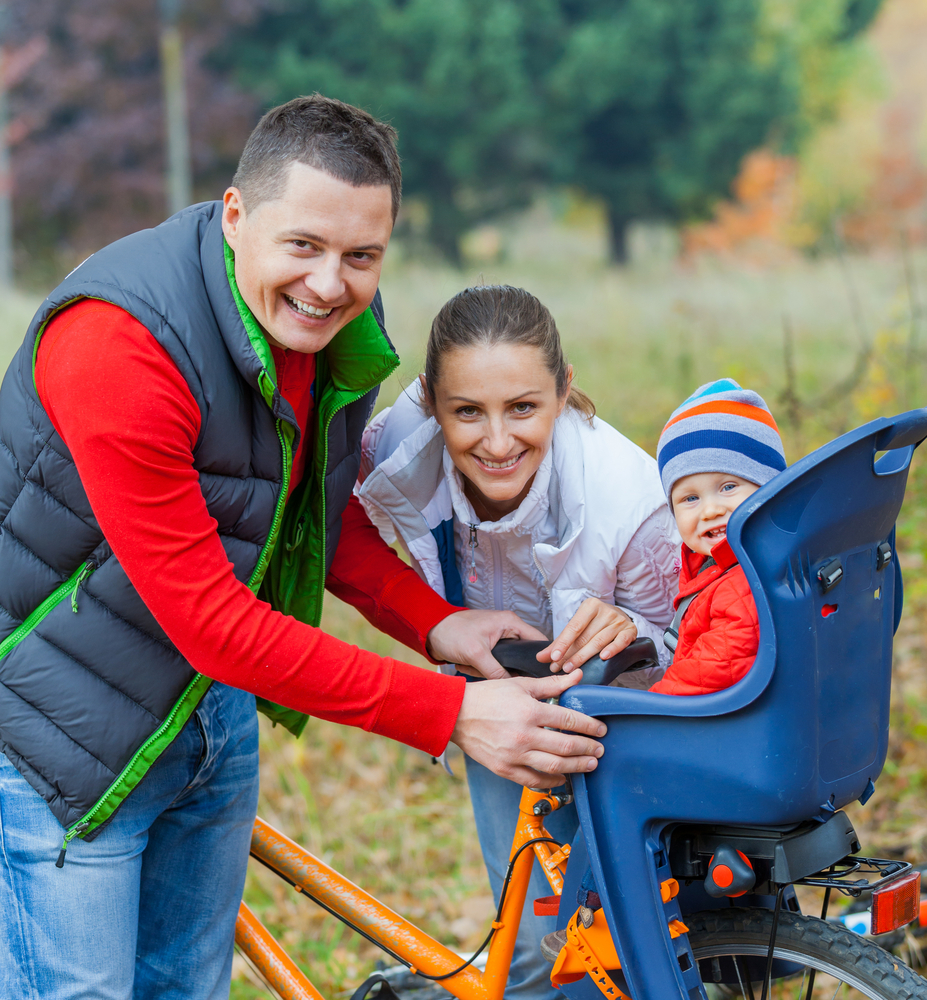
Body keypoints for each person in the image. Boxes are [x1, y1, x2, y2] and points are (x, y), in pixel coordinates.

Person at [0, 97, 608, 1000]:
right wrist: (448, 714)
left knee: (186, 988)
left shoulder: (326, 329)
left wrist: (440, 627)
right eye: (304, 247)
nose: (330, 284)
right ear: (237, 215)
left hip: (205, 712)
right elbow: (210, 619)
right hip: (55, 731)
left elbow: (307, 511)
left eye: (362, 256)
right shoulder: (120, 347)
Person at [357, 285, 680, 1000]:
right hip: (493, 701)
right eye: (466, 411)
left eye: (523, 408)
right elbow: (330, 518)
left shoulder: (628, 500)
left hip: (616, 720)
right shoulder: (392, 444)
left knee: (615, 942)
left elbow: (690, 638)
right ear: (430, 401)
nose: (497, 442)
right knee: (532, 946)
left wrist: (638, 631)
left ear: (563, 392)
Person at [543, 378, 788, 974]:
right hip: (738, 726)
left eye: (728, 486)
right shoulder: (732, 567)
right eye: (689, 498)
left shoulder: (741, 584)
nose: (710, 509)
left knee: (605, 752)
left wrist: (657, 706)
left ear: (770, 489)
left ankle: (605, 909)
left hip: (720, 733)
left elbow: (722, 662)